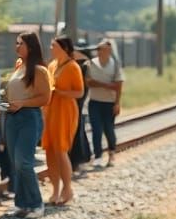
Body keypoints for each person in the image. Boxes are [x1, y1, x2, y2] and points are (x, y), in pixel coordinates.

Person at [4, 32, 51, 218]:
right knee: (16, 164)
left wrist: (22, 103)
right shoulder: (19, 66)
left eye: (20, 43)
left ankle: (36, 204)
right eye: (16, 43)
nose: (16, 46)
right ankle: (21, 204)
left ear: (30, 46)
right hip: (12, 118)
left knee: (24, 162)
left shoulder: (39, 70)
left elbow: (45, 97)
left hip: (28, 118)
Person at [43, 36, 83, 206]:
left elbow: (79, 92)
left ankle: (68, 189)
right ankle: (55, 190)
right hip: (50, 111)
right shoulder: (51, 65)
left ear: (64, 48)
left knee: (61, 149)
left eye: (54, 45)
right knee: (50, 150)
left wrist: (60, 92)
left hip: (65, 111)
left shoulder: (73, 67)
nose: (51, 47)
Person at [86, 38, 124, 167]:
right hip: (95, 102)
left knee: (109, 129)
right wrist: (107, 85)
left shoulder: (115, 65)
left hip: (109, 102)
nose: (98, 51)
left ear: (108, 50)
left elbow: (118, 85)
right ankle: (97, 156)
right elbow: (89, 82)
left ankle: (112, 153)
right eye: (98, 49)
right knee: (96, 130)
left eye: (101, 49)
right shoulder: (91, 63)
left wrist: (117, 103)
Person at [68, 41, 94, 178]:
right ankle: (80, 159)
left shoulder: (85, 66)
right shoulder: (75, 65)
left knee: (78, 131)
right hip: (74, 103)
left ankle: (78, 160)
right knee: (78, 130)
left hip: (78, 102)